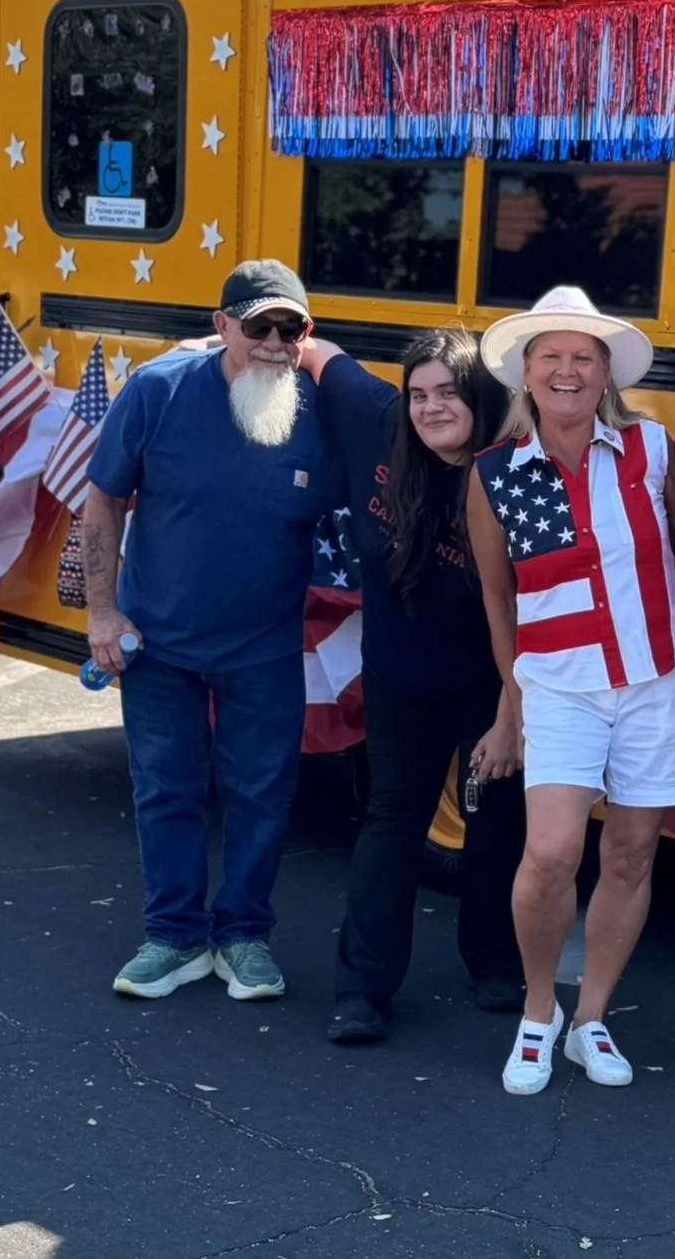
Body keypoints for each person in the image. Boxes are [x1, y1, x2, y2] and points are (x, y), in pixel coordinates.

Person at [84, 260, 341, 1002]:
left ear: (305, 335)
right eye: (256, 324)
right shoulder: (157, 391)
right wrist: (103, 613)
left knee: (262, 792)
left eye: (288, 328)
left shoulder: (317, 415)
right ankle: (173, 936)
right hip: (157, 642)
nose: (271, 341)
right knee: (165, 787)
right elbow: (102, 500)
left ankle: (243, 936)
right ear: (221, 323)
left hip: (264, 646)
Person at [466, 285, 675, 1095]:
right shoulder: (495, 474)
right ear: (525, 375)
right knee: (552, 851)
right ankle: (540, 1010)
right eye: (550, 357)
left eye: (583, 356)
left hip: (658, 678)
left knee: (631, 853)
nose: (567, 370)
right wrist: (515, 694)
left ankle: (591, 1015)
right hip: (560, 686)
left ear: (606, 373)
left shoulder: (651, 448)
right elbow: (498, 599)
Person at [298, 328, 527, 1045]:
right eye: (419, 394)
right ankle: (361, 989)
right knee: (392, 822)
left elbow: (529, 603)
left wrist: (511, 714)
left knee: (495, 825)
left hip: (492, 686)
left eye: (448, 394)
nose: (430, 408)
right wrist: (237, 347)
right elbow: (316, 351)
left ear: (479, 398)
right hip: (400, 678)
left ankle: (494, 962)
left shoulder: (511, 469)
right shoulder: (377, 420)